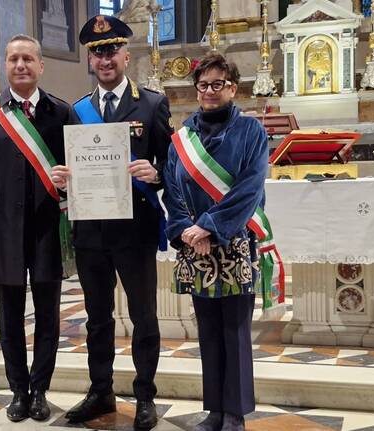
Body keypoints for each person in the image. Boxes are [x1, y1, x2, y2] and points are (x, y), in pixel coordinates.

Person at [51, 15, 173, 430]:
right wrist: (62, 179)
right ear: (90, 59)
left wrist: (155, 175)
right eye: (97, 52)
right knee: (97, 317)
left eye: (111, 50)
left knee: (143, 316)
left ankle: (144, 396)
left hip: (135, 229)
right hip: (90, 232)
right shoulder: (77, 110)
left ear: (125, 54)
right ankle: (100, 391)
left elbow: (172, 166)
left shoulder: (153, 104)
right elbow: (69, 167)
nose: (105, 59)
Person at [0, 34, 74, 423]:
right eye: (13, 59)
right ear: (5, 66)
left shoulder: (61, 113)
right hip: (0, 234)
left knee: (48, 317)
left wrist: (70, 179)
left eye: (28, 58)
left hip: (47, 230)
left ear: (41, 66)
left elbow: (79, 170)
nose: (21, 65)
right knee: (10, 319)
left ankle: (40, 389)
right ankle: (17, 391)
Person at [162, 53, 270, 431]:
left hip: (235, 242)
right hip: (196, 247)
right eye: (203, 85)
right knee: (207, 330)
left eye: (218, 84)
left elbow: (250, 189)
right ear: (196, 89)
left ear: (232, 88)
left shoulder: (251, 132)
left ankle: (235, 412)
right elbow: (172, 189)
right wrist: (185, 231)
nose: (209, 91)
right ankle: (214, 410)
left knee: (234, 331)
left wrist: (209, 225)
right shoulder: (181, 138)